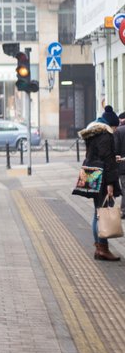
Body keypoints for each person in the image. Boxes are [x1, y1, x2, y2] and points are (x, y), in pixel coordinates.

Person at [80, 111, 121, 261]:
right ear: (110, 125)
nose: (115, 130)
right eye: (115, 127)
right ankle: (103, 249)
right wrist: (110, 184)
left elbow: (95, 154)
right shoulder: (105, 134)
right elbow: (107, 159)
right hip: (103, 176)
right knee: (101, 213)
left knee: (97, 213)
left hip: (92, 173)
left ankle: (99, 248)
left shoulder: (92, 131)